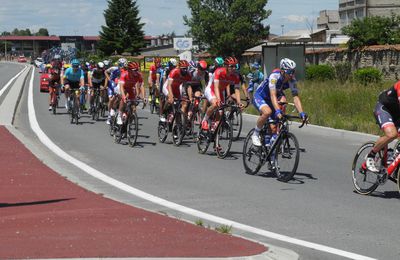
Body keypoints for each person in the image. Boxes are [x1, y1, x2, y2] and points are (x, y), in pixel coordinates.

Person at [251, 58, 308, 146]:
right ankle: (255, 134)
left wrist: (301, 113)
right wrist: (277, 110)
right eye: (290, 72)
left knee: (273, 129)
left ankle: (270, 155)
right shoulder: (274, 76)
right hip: (260, 96)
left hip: (272, 99)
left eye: (293, 71)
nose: (292, 74)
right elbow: (273, 95)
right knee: (267, 112)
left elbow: (295, 97)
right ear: (282, 71)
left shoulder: (292, 80)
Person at [365, 80, 400, 172]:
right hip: (384, 108)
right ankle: (371, 155)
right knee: (392, 134)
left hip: (397, 114)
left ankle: (392, 154)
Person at [201, 57, 241, 130]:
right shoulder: (219, 71)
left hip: (221, 91)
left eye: (235, 66)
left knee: (220, 112)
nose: (234, 68)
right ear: (226, 66)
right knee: (215, 104)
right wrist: (218, 99)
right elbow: (216, 87)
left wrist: (239, 102)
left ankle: (214, 130)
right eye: (232, 66)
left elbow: (237, 89)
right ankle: (204, 120)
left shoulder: (235, 76)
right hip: (211, 89)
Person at [105, 58, 126, 124]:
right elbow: (105, 72)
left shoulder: (126, 70)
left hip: (120, 84)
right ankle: (109, 116)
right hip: (112, 84)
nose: (121, 66)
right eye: (120, 65)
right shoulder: (114, 68)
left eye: (123, 65)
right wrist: (109, 79)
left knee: (121, 98)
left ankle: (120, 112)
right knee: (111, 99)